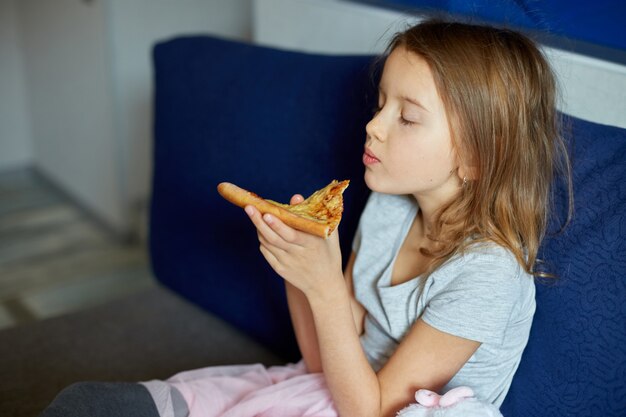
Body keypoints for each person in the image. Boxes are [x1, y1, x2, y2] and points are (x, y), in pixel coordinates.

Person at [40, 18, 572, 417]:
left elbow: (374, 408)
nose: (374, 126)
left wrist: (321, 287)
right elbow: (322, 363)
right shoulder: (389, 208)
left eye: (407, 117)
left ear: (478, 156)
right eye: (380, 102)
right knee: (83, 403)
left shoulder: (487, 275)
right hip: (331, 390)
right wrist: (301, 269)